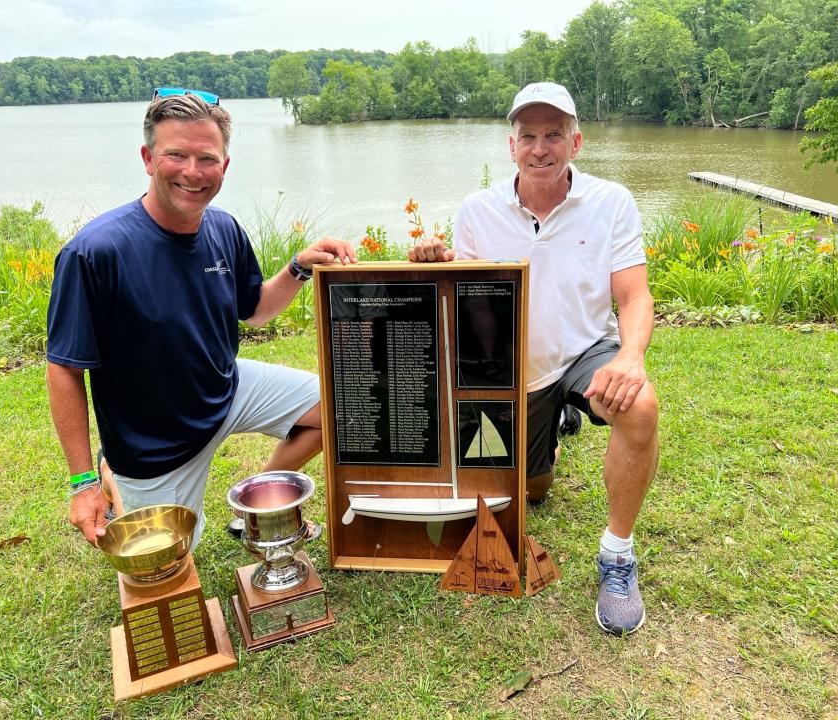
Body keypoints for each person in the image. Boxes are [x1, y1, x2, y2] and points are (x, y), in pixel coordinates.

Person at [46, 89, 355, 550]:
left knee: (343, 405)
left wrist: (300, 267)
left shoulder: (224, 228)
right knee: (166, 563)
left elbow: (256, 311)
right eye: (176, 155)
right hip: (155, 444)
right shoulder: (95, 252)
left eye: (207, 158)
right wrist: (83, 482)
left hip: (226, 388)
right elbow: (64, 368)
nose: (193, 172)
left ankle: (254, 503)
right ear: (148, 158)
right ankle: (114, 474)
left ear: (225, 166)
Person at [409, 82, 659, 634]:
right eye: (529, 136)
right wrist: (436, 266)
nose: (540, 148)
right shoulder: (477, 209)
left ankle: (617, 556)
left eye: (553, 135)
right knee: (531, 494)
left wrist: (632, 358)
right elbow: (465, 301)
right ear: (511, 145)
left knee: (639, 406)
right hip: (509, 370)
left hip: (584, 352)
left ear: (577, 141)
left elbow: (634, 295)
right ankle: (547, 439)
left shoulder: (612, 201)